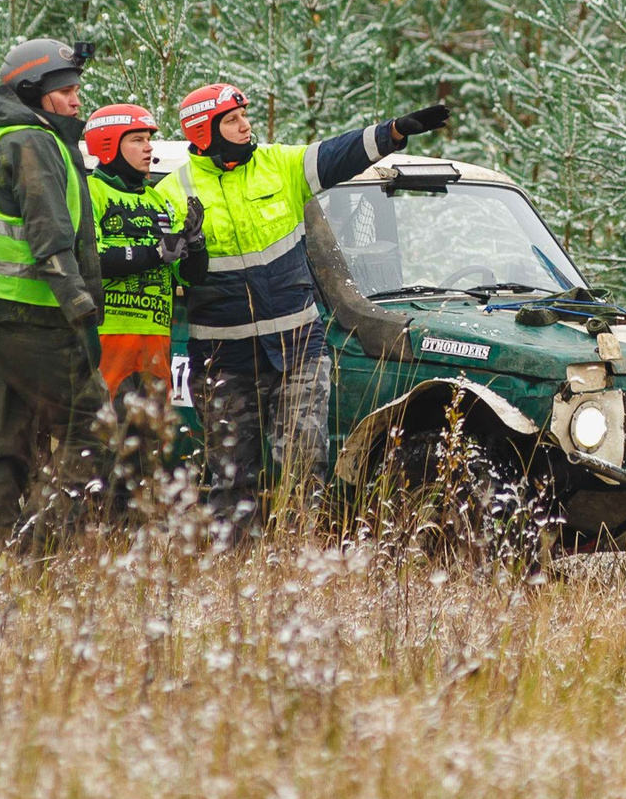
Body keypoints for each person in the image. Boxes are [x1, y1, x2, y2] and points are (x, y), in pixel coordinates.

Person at [153, 84, 450, 539]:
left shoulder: (280, 165)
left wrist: (390, 133)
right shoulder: (174, 192)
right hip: (223, 360)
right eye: (232, 121)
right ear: (204, 130)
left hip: (298, 350)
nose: (245, 125)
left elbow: (337, 154)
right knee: (233, 479)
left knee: (303, 460)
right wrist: (185, 255)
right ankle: (236, 578)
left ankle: (300, 566)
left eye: (244, 116)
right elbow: (172, 280)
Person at [0, 37, 111, 543]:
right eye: (67, 90)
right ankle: (35, 549)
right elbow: (49, 235)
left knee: (4, 441)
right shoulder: (33, 142)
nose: (78, 100)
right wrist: (79, 308)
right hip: (31, 313)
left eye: (78, 89)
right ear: (33, 91)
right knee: (93, 429)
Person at [82, 102, 208, 402]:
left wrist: (196, 244)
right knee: (103, 437)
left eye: (149, 140)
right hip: (105, 335)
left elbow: (191, 277)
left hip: (156, 339)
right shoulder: (88, 191)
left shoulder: (158, 199)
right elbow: (90, 261)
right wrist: (154, 253)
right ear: (108, 144)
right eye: (138, 140)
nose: (148, 148)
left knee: (151, 441)